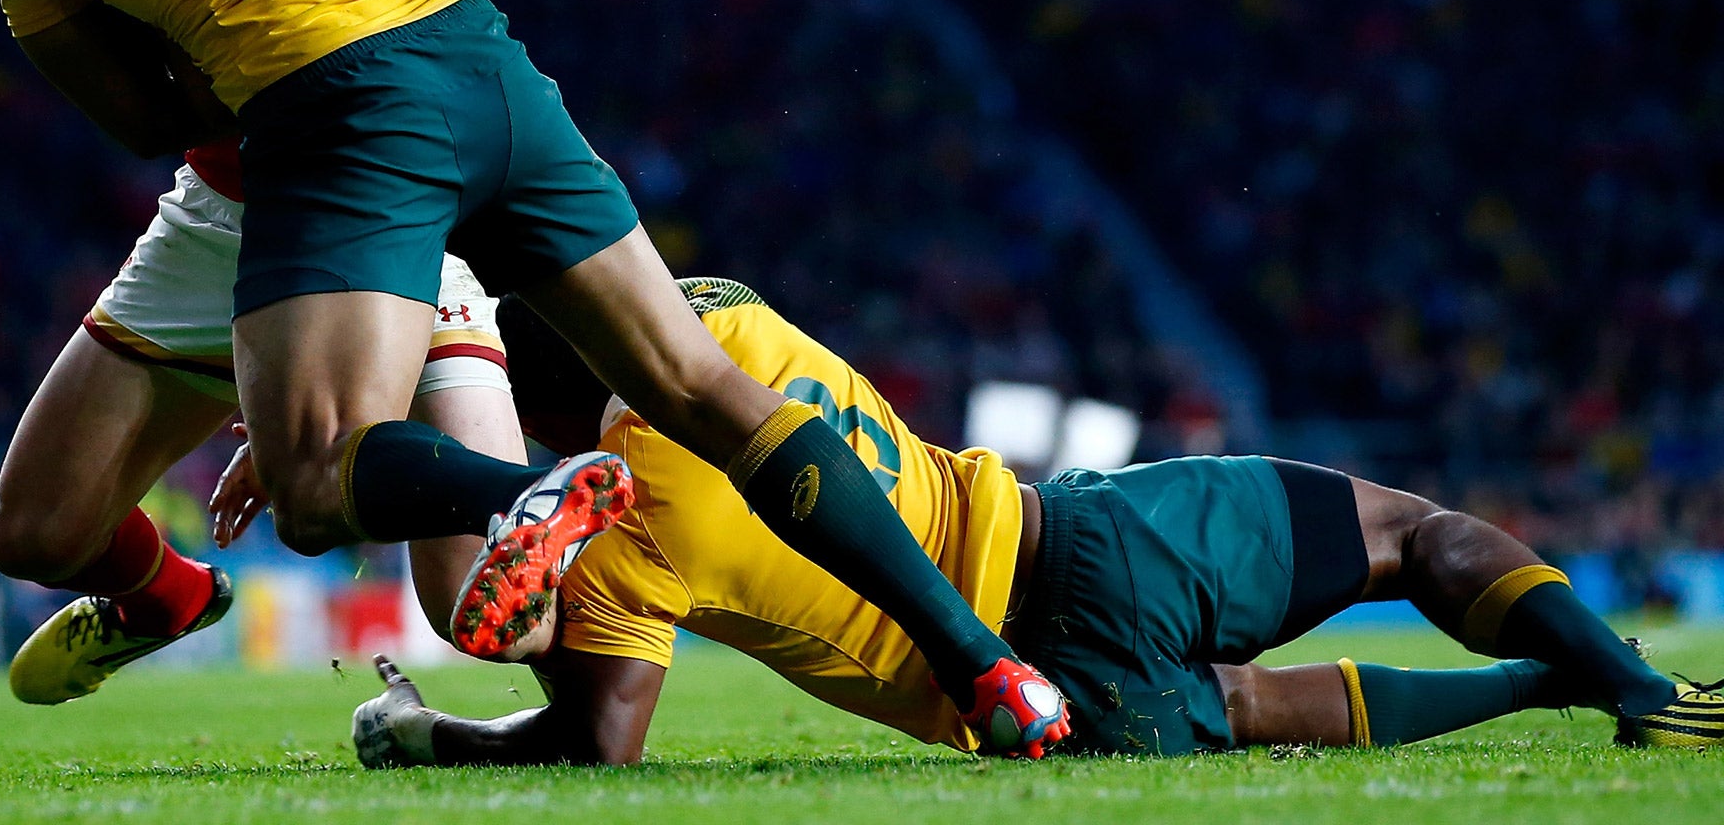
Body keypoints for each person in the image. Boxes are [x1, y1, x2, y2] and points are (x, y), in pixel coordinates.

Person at [0, 0, 1068, 753]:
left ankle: (522, 491)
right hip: (471, 64)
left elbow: (134, 115)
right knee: (698, 385)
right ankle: (990, 672)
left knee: (316, 488)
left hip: (331, 120)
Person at [0, 0, 665, 704]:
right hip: (232, 200)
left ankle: (646, 595)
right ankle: (162, 597)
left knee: (485, 619)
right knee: (35, 530)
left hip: (394, 197)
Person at [324, 277, 1724, 764]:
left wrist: (439, 731)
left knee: (1244, 709)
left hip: (1033, 688)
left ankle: (1543, 684)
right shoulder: (739, 330)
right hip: (1086, 533)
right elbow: (685, 294)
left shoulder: (627, 544)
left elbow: (598, 742)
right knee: (1418, 534)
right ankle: (1624, 677)